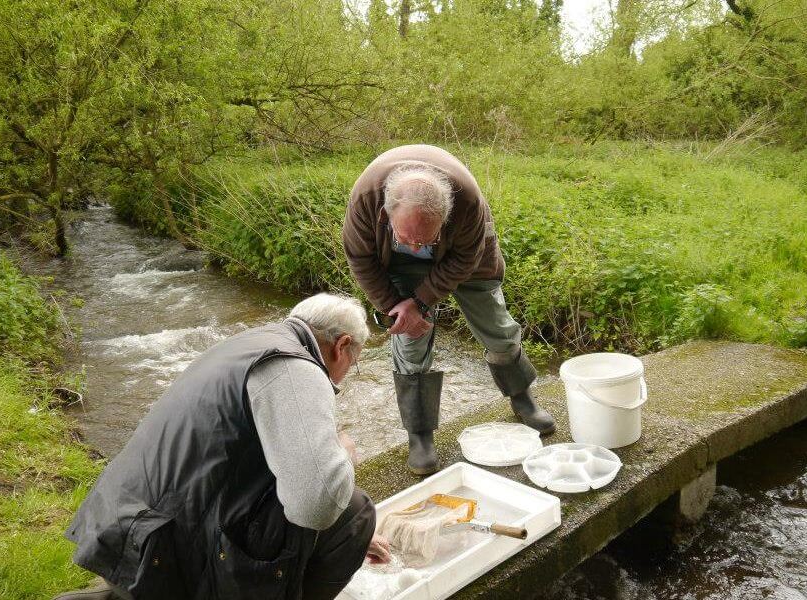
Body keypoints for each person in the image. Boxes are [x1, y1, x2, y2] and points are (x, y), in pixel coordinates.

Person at [54, 294, 391, 600]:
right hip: (165, 550)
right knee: (354, 513)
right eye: (353, 363)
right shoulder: (295, 367)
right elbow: (316, 505)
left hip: (125, 530)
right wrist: (342, 453)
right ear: (341, 345)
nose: (345, 375)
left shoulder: (248, 343)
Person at [343, 144, 556, 476]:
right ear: (386, 216)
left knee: (497, 327)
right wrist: (396, 306)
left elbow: (463, 261)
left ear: (446, 217)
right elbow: (360, 259)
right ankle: (420, 436)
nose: (418, 248)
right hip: (394, 260)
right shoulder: (366, 202)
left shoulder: (467, 202)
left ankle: (522, 398)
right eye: (409, 239)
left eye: (426, 239)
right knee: (409, 342)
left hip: (465, 256)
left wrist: (423, 299)